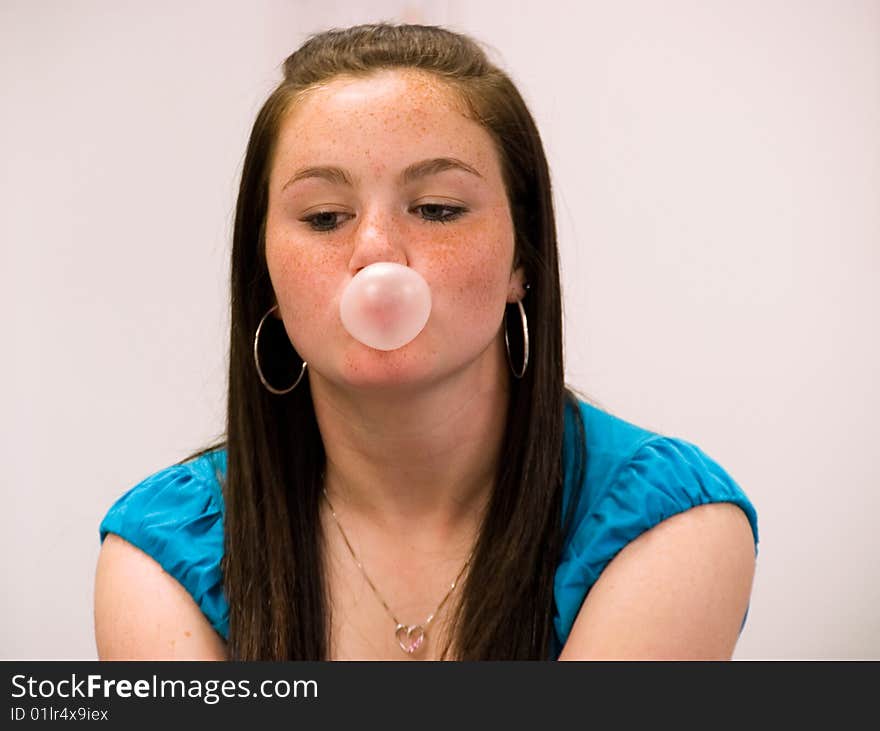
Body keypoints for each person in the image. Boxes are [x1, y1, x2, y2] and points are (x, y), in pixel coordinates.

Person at [94, 23, 759, 661]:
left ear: (522, 259)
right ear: (265, 272)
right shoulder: (167, 556)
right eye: (325, 217)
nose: (376, 252)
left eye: (437, 209)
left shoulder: (663, 524)